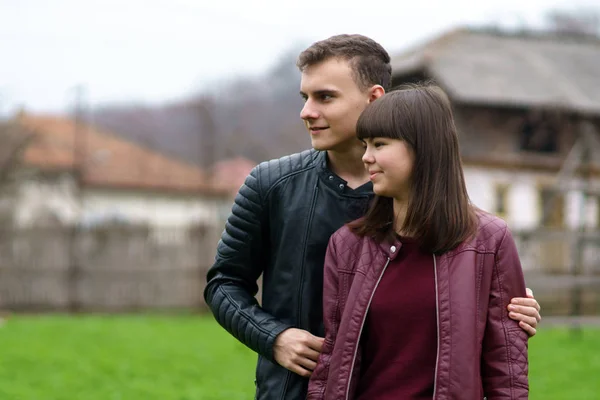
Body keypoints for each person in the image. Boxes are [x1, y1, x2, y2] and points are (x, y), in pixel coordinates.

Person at [204, 34, 540, 400]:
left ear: (374, 98)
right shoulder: (270, 184)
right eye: (305, 98)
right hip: (290, 389)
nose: (307, 112)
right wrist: (274, 337)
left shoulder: (421, 200)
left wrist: (501, 306)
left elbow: (463, 293)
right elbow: (223, 283)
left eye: (325, 97)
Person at [307, 85, 529, 400]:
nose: (367, 157)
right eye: (365, 145)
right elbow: (332, 359)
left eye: (380, 144)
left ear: (423, 148)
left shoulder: (489, 241)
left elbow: (507, 372)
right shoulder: (347, 245)